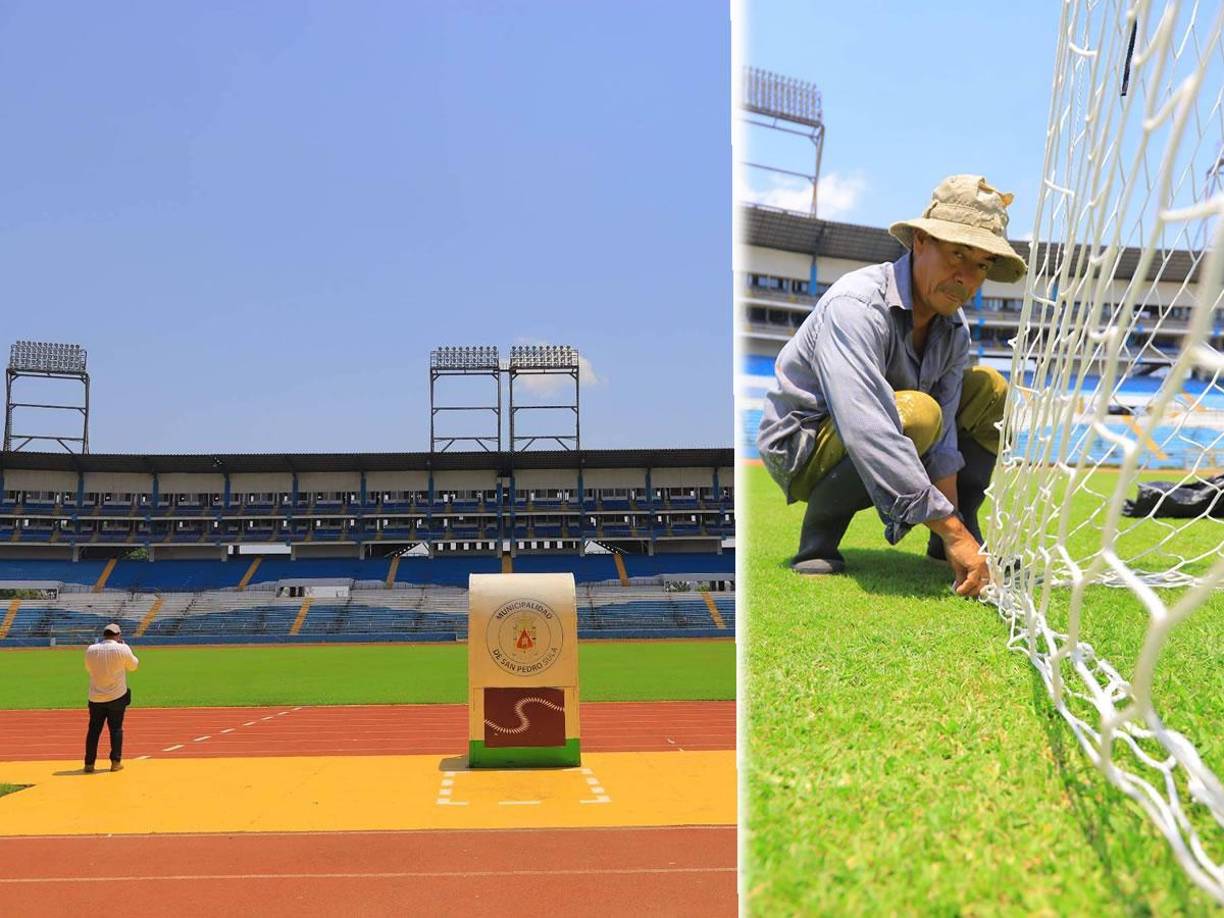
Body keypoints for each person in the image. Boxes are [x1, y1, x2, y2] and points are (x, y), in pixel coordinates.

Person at [756, 175, 1027, 598]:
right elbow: (867, 424)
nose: (967, 278)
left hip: (897, 422)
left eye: (982, 265)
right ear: (920, 241)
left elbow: (945, 439)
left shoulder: (955, 332)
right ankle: (820, 533)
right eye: (957, 254)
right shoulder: (856, 305)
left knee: (990, 389)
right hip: (803, 446)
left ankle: (950, 533)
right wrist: (954, 531)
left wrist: (952, 525)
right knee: (919, 412)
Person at [83, 622, 139, 773]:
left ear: (104, 634)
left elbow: (88, 668)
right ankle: (115, 762)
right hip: (116, 695)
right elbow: (134, 666)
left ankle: (89, 763)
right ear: (118, 635)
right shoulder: (122, 648)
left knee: (93, 730)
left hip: (96, 696)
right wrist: (125, 648)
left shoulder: (91, 649)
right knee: (116, 729)